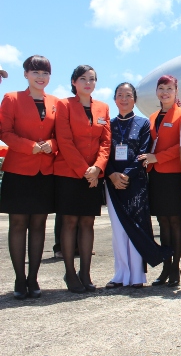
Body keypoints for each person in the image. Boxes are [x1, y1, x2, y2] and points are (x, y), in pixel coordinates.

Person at [0, 55, 57, 299]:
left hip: (45, 172)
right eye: (35, 72)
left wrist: (51, 145)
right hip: (19, 171)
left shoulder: (55, 102)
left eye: (44, 73)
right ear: (25, 74)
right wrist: (30, 146)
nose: (40, 77)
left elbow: (61, 134)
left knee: (39, 225)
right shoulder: (11, 99)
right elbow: (4, 132)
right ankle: (19, 279)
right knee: (18, 224)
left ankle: (33, 278)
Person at [104, 83, 170, 289]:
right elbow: (103, 152)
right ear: (114, 99)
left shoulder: (143, 123)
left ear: (135, 99)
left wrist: (125, 175)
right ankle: (120, 273)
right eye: (120, 95)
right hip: (112, 183)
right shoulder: (108, 124)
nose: (124, 98)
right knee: (119, 229)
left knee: (137, 226)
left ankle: (137, 276)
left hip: (136, 183)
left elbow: (144, 152)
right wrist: (112, 175)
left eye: (128, 95)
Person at [54, 65, 111, 293]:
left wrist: (97, 168)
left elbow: (106, 143)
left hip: (94, 176)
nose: (88, 83)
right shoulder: (64, 105)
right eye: (83, 79)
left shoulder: (103, 107)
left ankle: (85, 272)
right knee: (69, 223)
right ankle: (70, 273)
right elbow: (64, 141)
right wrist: (85, 170)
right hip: (69, 173)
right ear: (74, 82)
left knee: (88, 223)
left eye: (92, 79)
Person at [138, 75, 181, 287]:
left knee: (176, 222)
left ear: (176, 91)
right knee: (163, 223)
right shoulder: (151, 117)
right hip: (156, 177)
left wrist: (158, 157)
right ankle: (166, 266)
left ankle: (176, 267)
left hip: (175, 176)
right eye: (161, 88)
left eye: (169, 88)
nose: (165, 92)